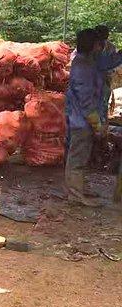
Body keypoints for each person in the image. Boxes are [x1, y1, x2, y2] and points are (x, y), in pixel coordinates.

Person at [66, 28, 107, 206]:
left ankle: (79, 188)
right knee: (77, 158)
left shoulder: (90, 61)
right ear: (93, 44)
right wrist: (97, 124)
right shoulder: (82, 65)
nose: (102, 46)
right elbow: (85, 99)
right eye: (99, 43)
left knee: (82, 156)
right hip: (81, 120)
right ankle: (75, 195)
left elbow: (107, 64)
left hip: (84, 119)